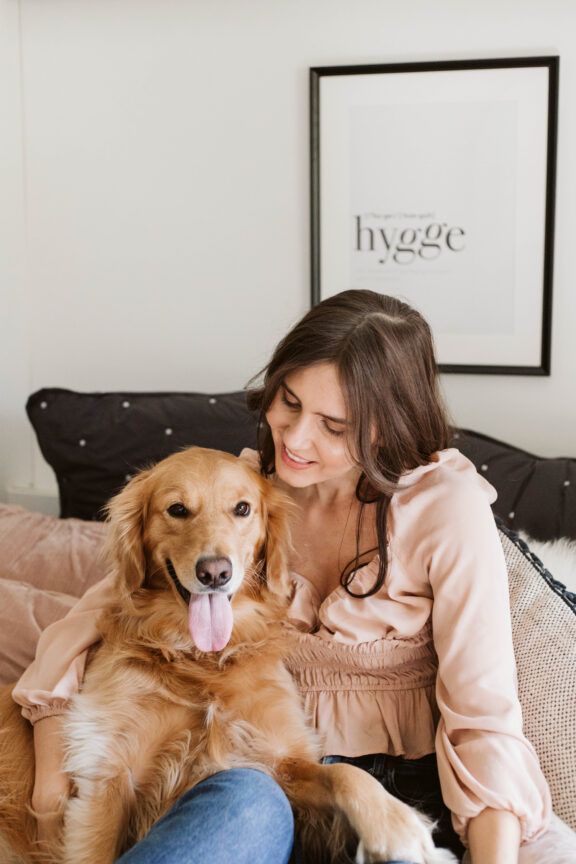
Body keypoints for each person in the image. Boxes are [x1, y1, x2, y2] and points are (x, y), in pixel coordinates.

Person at [12, 290, 570, 864]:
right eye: (289, 401)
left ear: (387, 426)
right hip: (263, 796)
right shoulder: (245, 491)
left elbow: (484, 720)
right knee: (246, 800)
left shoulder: (442, 507)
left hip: (406, 798)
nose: (296, 440)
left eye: (334, 425)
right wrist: (51, 783)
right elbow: (95, 619)